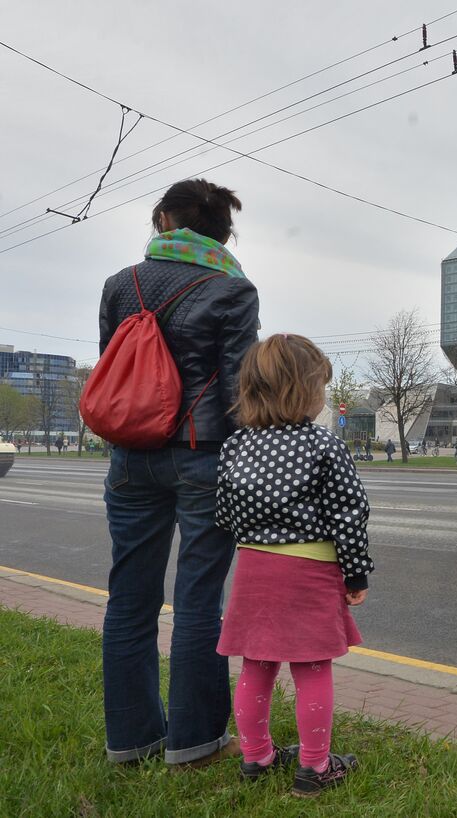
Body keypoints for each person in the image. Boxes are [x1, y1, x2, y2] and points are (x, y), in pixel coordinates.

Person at [98, 178, 259, 767]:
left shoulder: (122, 285)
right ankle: (194, 741)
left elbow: (113, 370)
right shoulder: (233, 289)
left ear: (163, 219)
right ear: (222, 232)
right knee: (198, 603)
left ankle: (131, 741)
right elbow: (241, 387)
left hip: (130, 456)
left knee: (129, 599)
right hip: (203, 455)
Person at [214, 333, 373, 795]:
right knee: (313, 667)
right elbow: (348, 514)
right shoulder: (323, 446)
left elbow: (223, 514)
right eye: (320, 387)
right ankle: (314, 768)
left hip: (252, 568)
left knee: (256, 664)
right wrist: (355, 571)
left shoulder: (236, 445)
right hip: (309, 570)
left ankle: (257, 756)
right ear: (302, 391)